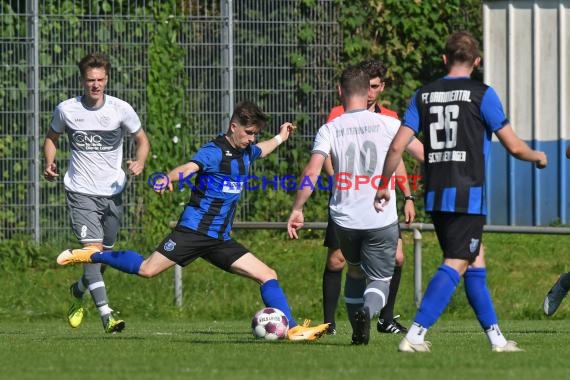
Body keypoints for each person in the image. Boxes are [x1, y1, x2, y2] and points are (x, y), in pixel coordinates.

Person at [56, 100, 330, 341]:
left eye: (255, 134)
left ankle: (293, 329)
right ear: (234, 126)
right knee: (147, 270)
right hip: (193, 232)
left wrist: (281, 137)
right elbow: (190, 168)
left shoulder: (247, 152)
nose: (251, 139)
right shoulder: (214, 151)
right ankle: (93, 256)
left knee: (268, 274)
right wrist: (167, 178)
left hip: (219, 239)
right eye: (248, 133)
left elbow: (264, 149)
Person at [373, 31, 547, 352]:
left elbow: (398, 145)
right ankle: (415, 335)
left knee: (474, 261)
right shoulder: (483, 94)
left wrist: (384, 184)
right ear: (477, 62)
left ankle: (497, 340)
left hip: (437, 194)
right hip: (468, 193)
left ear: (444, 59)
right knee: (457, 260)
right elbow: (514, 145)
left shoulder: (422, 95)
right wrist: (538, 156)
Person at [287, 65, 422, 345]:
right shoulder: (389, 124)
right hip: (380, 218)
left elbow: (312, 172)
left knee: (356, 270)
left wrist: (297, 208)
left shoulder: (330, 128)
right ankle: (368, 312)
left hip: (345, 220)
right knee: (380, 280)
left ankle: (357, 333)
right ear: (367, 91)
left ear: (340, 91)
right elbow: (423, 154)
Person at [43, 52, 150, 334]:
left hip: (113, 193)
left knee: (103, 256)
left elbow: (142, 140)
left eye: (100, 79)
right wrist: (48, 162)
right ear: (82, 80)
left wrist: (140, 161)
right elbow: (51, 139)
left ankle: (79, 290)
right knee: (92, 251)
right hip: (80, 191)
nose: (95, 85)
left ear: (107, 79)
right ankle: (107, 316)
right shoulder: (67, 109)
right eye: (90, 80)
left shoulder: (120, 109)